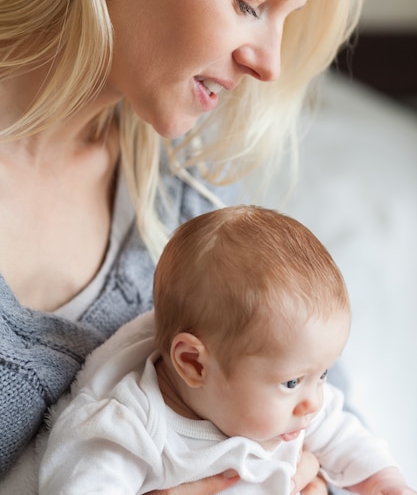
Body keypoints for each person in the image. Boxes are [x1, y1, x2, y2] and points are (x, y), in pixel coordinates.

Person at [0, 0, 372, 491]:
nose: (270, 63)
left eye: (286, 17)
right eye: (250, 2)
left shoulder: (187, 211)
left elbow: (333, 433)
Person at [38, 206, 414, 494]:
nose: (313, 402)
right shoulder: (131, 430)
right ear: (194, 363)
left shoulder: (296, 406)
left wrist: (382, 481)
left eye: (324, 375)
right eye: (292, 382)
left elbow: (345, 437)